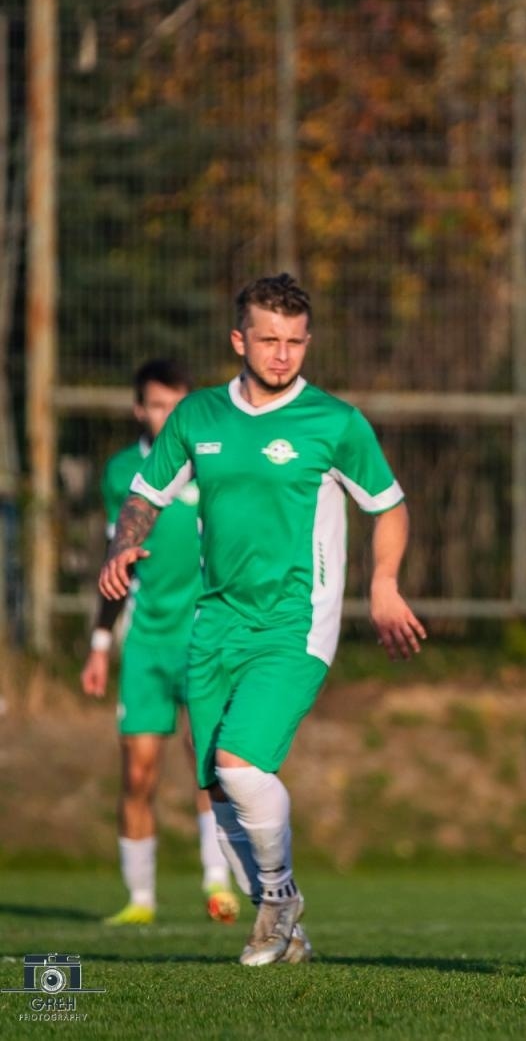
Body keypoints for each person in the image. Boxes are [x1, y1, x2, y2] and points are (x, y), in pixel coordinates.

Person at [99, 273, 426, 966]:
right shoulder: (197, 417)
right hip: (213, 622)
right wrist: (126, 543)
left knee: (239, 762)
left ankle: (279, 898)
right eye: (269, 339)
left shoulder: (334, 423)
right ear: (239, 339)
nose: (282, 354)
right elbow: (145, 494)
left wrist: (386, 582)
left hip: (295, 621)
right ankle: (286, 928)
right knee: (218, 792)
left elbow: (389, 505)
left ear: (307, 342)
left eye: (295, 341)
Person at [81, 359, 241, 927]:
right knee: (138, 772)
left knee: (211, 766)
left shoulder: (212, 459)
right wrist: (100, 643)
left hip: (205, 640)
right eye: (157, 404)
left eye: (178, 404)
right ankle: (141, 900)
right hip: (146, 645)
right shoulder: (123, 470)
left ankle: (216, 883)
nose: (168, 415)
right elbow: (114, 562)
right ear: (138, 409)